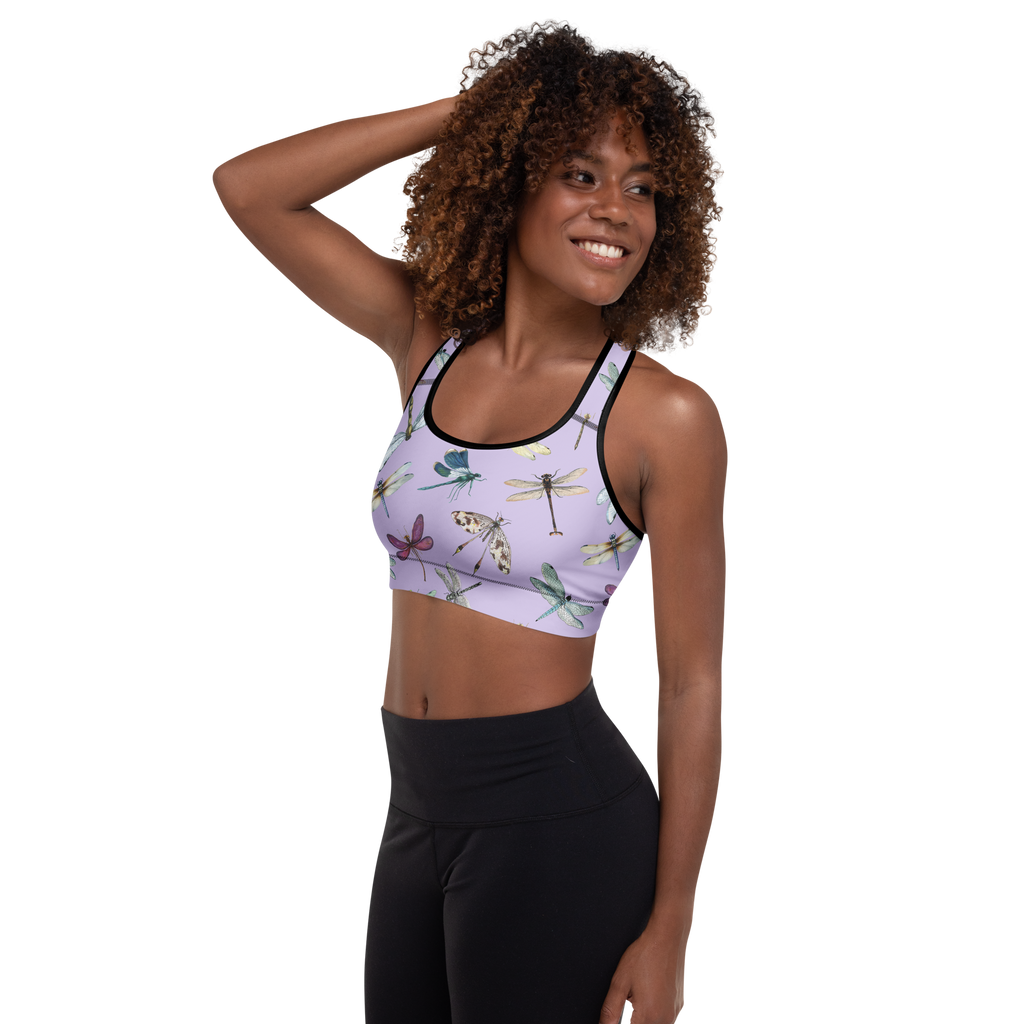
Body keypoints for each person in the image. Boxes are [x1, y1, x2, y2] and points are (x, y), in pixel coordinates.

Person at [210, 15, 728, 1023]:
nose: (615, 210)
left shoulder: (663, 415)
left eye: (642, 187)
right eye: (579, 172)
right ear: (509, 181)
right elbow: (249, 188)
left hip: (559, 818)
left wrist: (672, 923)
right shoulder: (427, 343)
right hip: (413, 808)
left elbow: (692, 682)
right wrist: (479, 112)